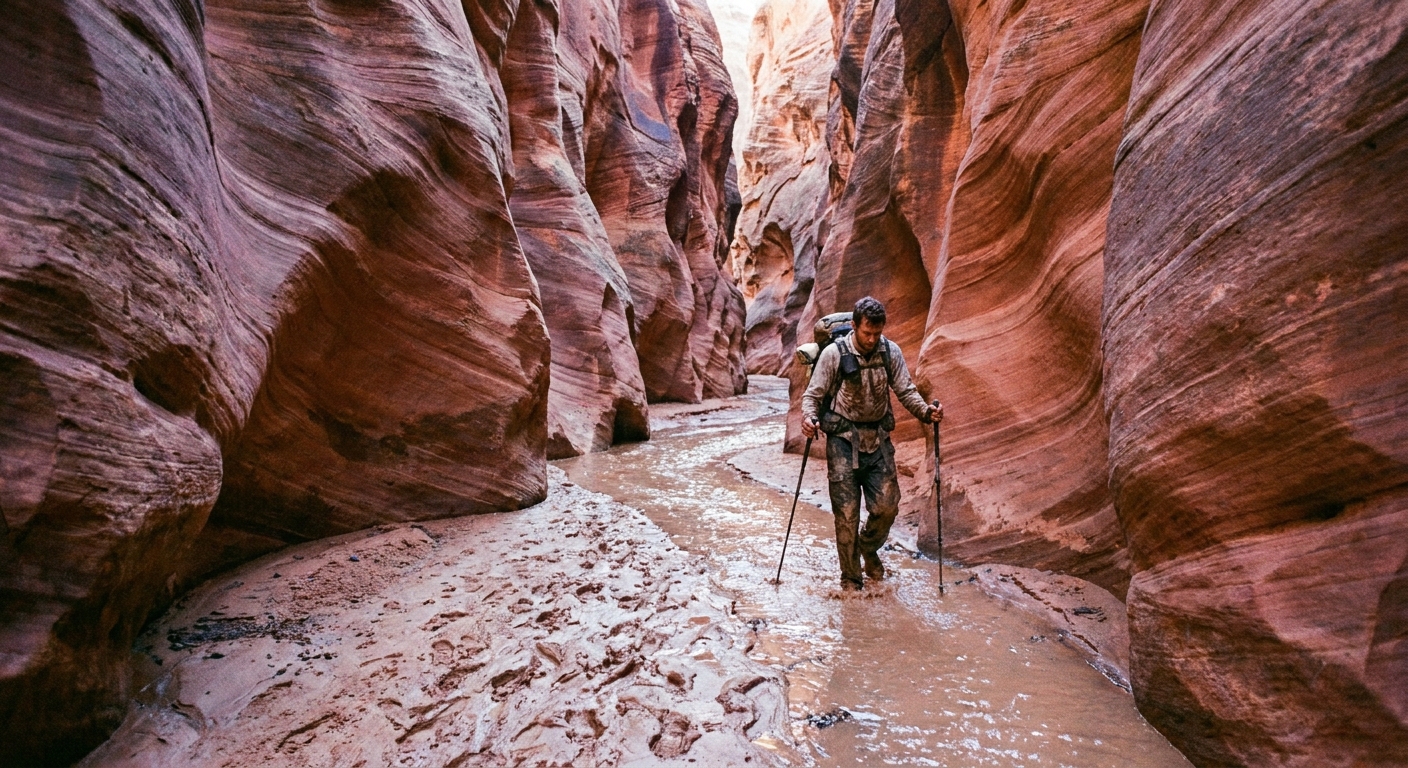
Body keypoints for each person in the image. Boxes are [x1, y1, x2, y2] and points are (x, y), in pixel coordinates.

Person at [801, 296, 941, 591]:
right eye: (867, 333)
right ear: (854, 326)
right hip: (841, 442)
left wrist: (926, 413)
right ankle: (851, 580)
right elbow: (812, 397)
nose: (872, 339)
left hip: (877, 441)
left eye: (877, 333)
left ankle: (868, 547)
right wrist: (809, 419)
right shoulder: (834, 355)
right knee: (847, 515)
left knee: (887, 508)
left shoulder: (890, 352)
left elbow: (906, 390)